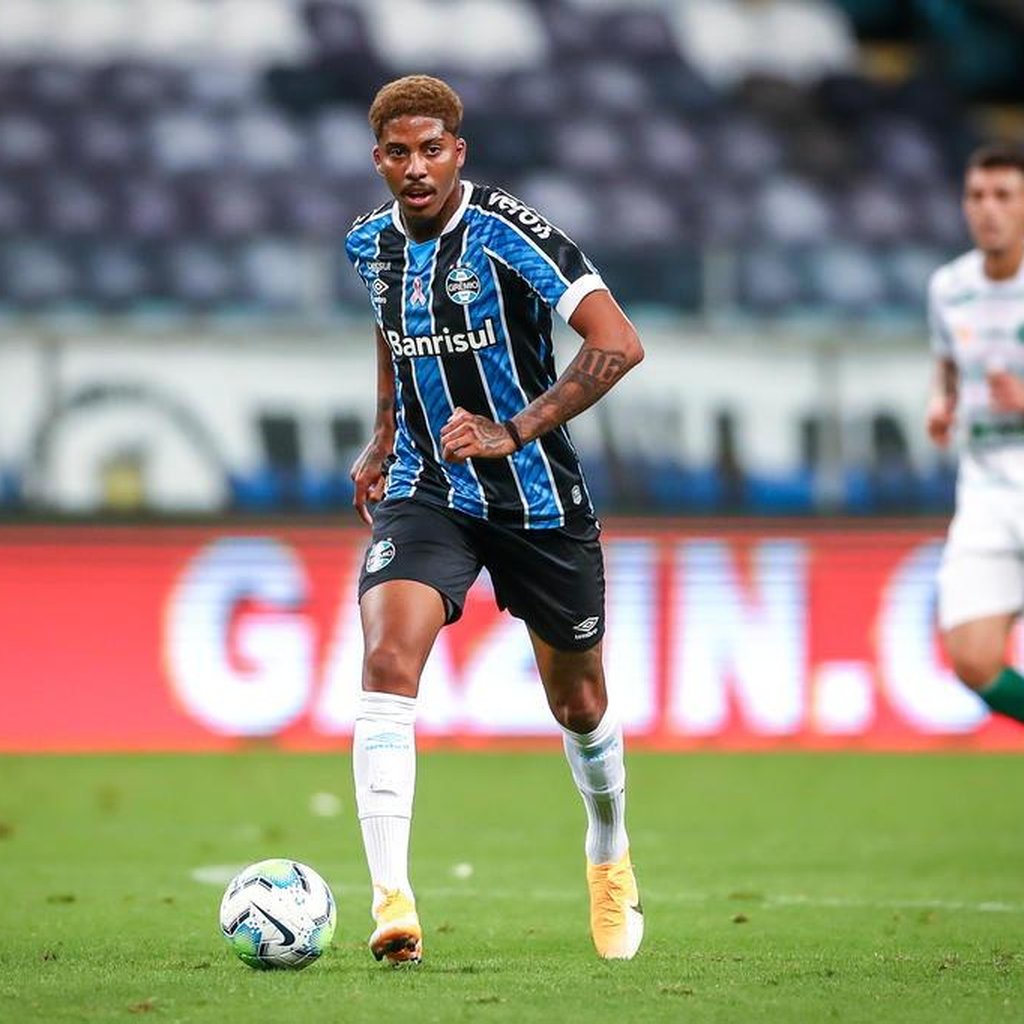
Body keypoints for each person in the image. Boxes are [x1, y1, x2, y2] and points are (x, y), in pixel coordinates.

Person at [344, 75, 645, 966]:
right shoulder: (370, 246)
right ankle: (391, 904)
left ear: (457, 153)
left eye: (431, 149)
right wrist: (385, 430)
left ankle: (608, 847)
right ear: (379, 160)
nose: (416, 167)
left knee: (579, 701)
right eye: (398, 153)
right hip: (428, 489)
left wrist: (513, 429)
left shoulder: (511, 234)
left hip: (537, 501)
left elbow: (619, 342)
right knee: (388, 657)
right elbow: (392, 330)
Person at [926, 143, 1024, 723]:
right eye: (977, 195)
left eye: (1003, 196)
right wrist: (940, 405)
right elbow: (946, 369)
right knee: (972, 657)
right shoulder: (948, 287)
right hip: (986, 488)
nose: (987, 208)